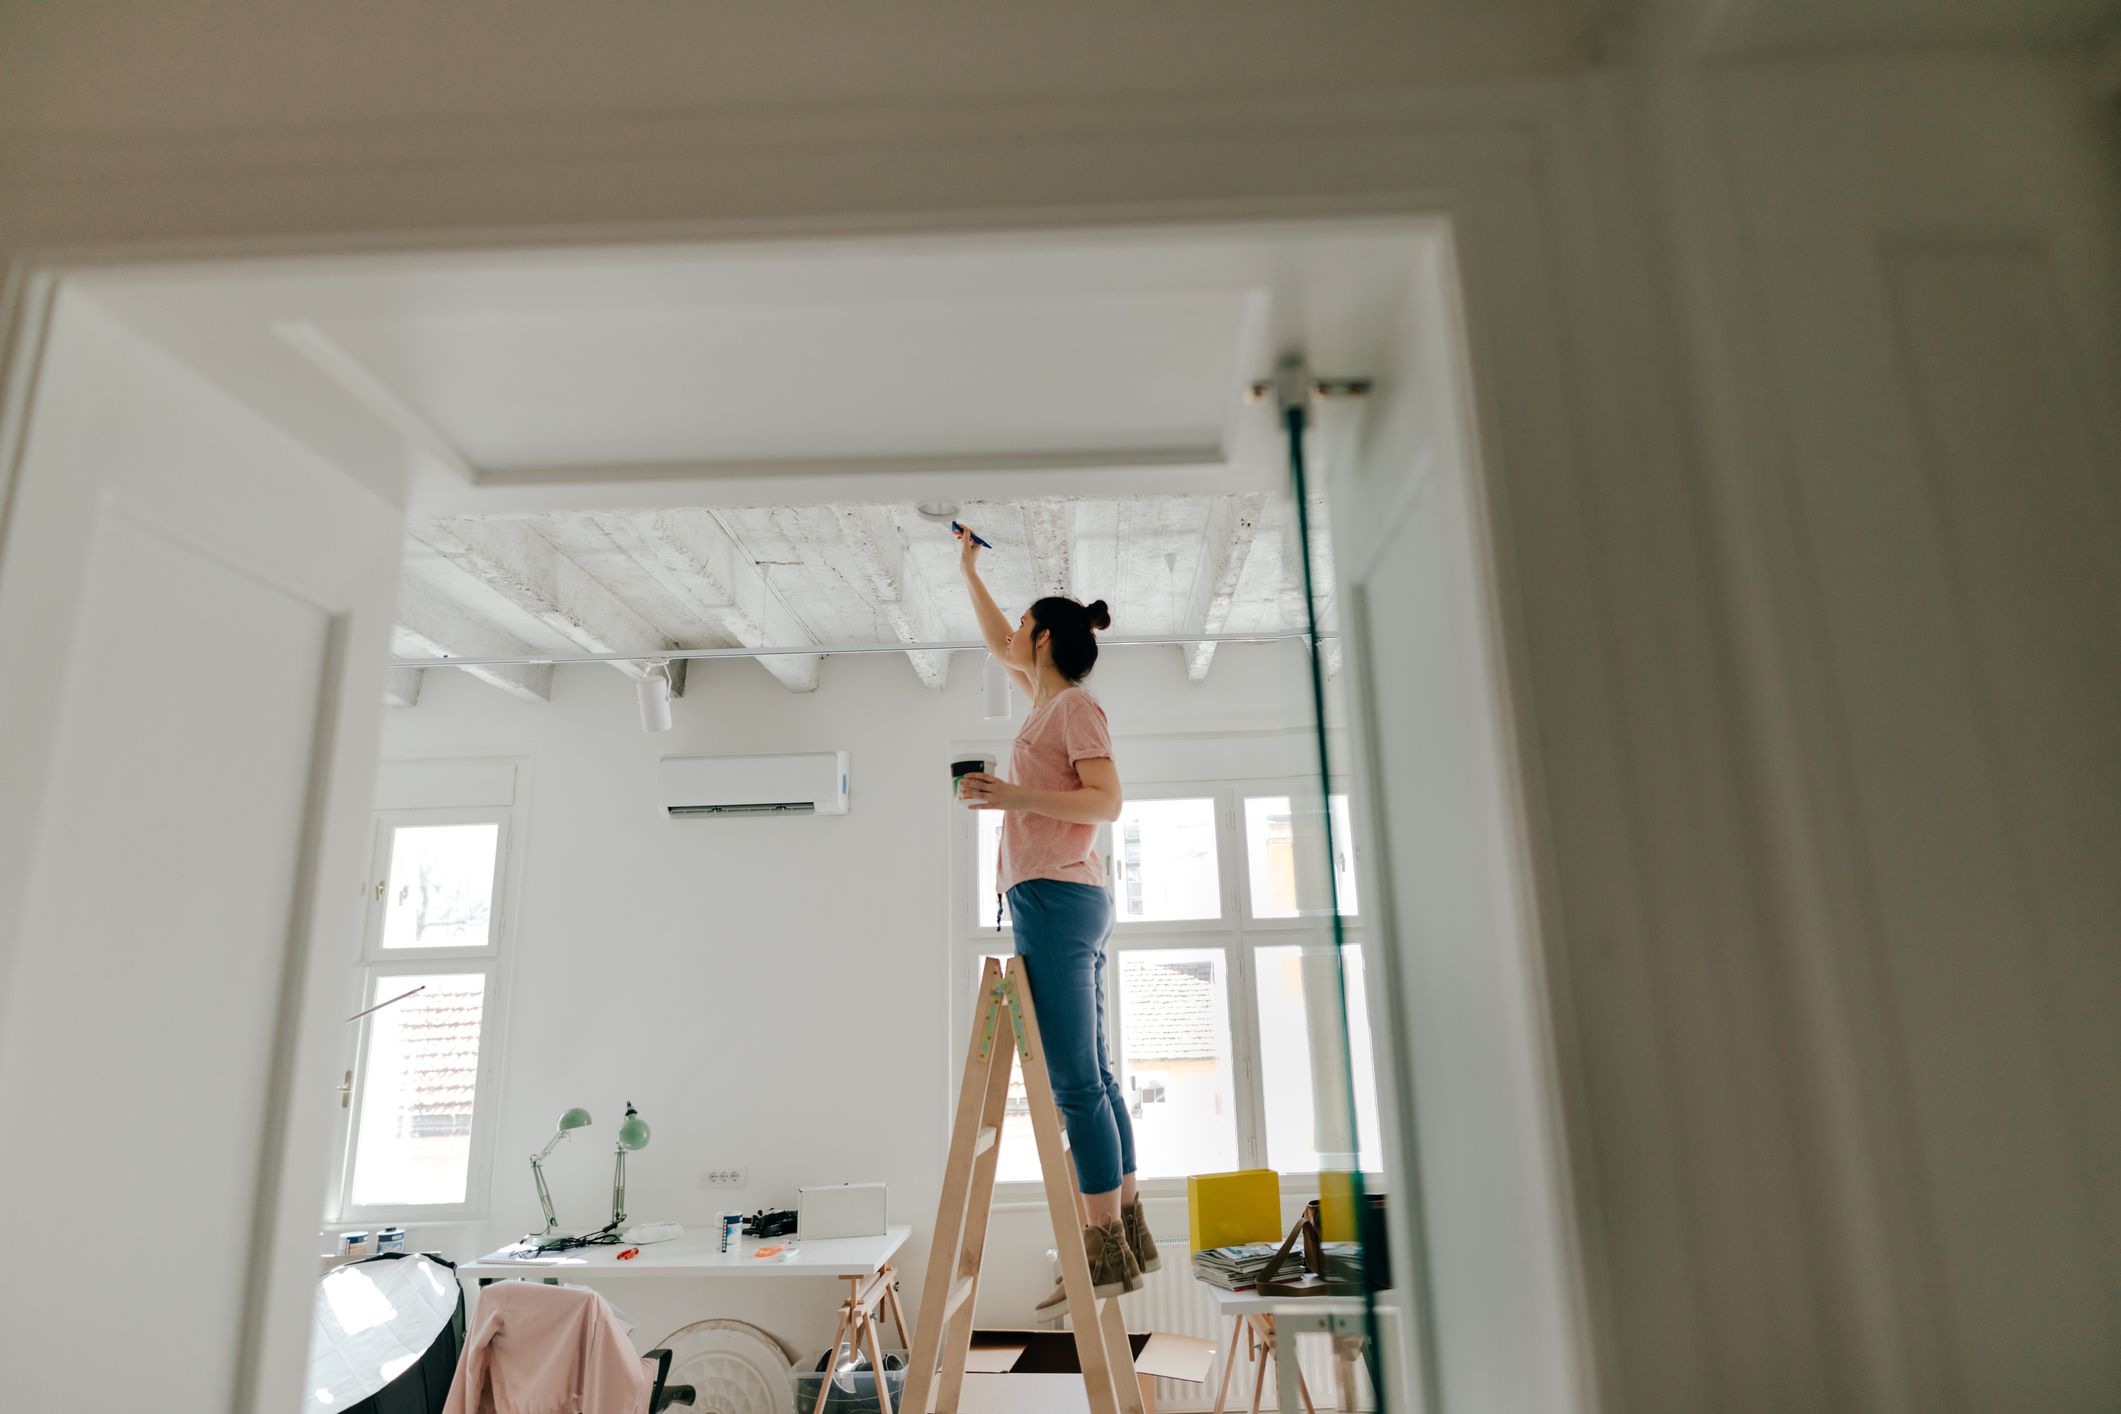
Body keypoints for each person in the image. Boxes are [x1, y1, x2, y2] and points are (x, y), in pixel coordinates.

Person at [955, 523, 1158, 1314]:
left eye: (1021, 630)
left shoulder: (1074, 709)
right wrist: (966, 567)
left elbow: (1107, 802)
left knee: (1077, 1082)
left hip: (1055, 894)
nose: (1010, 639)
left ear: (1040, 638)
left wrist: (1010, 798)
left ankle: (1099, 1250)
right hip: (1059, 895)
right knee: (1094, 1077)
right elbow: (993, 637)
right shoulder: (1043, 702)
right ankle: (1124, 1232)